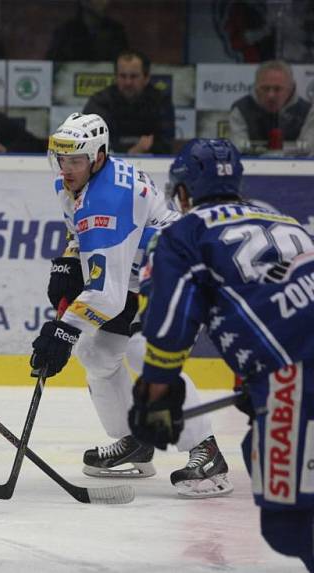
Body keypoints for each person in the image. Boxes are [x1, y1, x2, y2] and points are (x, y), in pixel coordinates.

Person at [128, 138, 314, 570]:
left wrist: (156, 394)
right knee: (258, 448)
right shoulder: (281, 217)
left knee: (291, 518)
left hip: (293, 377)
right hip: (290, 374)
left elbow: (171, 324)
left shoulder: (184, 234)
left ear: (185, 192)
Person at [28, 112, 232, 497]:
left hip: (181, 272)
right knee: (98, 352)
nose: (66, 168)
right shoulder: (73, 180)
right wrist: (71, 261)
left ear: (99, 156)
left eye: (76, 160)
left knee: (144, 352)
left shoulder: (107, 200)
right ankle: (134, 441)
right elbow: (81, 237)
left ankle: (206, 452)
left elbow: (107, 295)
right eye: (62, 158)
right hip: (139, 272)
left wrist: (63, 329)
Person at [82, 50, 175, 155]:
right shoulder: (100, 101)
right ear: (116, 77)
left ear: (146, 78)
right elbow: (91, 143)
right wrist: (133, 151)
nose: (128, 82)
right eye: (123, 76)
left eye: (134, 76)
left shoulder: (161, 101)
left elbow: (166, 145)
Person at [229, 59, 314, 156]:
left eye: (278, 89)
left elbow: (308, 149)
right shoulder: (241, 109)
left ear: (291, 88)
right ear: (256, 88)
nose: (271, 95)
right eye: (265, 88)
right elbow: (237, 148)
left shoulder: (308, 111)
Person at [46, 0, 129, 63]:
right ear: (83, 2)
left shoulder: (116, 31)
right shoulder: (66, 32)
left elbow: (125, 63)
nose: (103, 2)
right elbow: (52, 65)